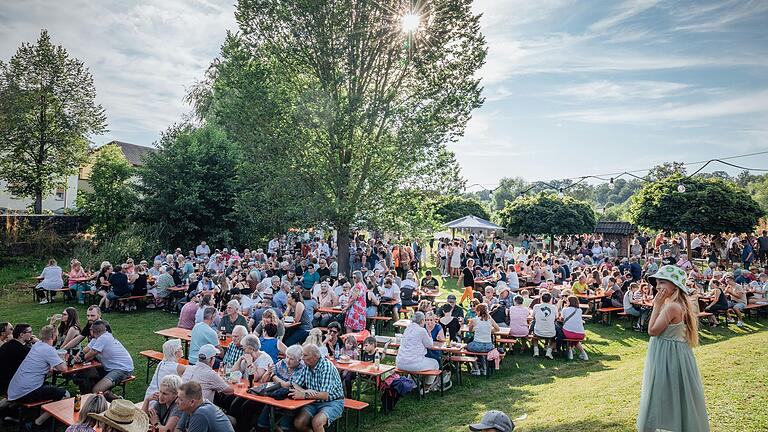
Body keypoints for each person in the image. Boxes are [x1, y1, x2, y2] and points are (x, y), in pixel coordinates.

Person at [637, 265, 709, 431]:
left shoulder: (671, 306)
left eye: (663, 282)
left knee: (662, 391)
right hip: (675, 352)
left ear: (675, 286)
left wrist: (656, 305)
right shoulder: (677, 304)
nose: (658, 286)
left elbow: (653, 331)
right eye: (657, 282)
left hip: (667, 354)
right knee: (676, 391)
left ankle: (665, 425)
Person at [8, 325, 68, 431]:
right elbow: (63, 368)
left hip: (15, 389)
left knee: (51, 389)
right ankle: (36, 424)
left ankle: (45, 418)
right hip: (25, 392)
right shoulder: (48, 350)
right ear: (54, 336)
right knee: (65, 395)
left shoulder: (38, 345)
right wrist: (63, 359)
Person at [290, 344, 345, 432]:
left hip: (332, 402)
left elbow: (325, 395)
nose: (302, 358)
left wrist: (304, 395)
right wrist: (305, 391)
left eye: (305, 355)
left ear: (315, 357)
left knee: (317, 422)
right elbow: (295, 384)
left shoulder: (326, 366)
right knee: (298, 423)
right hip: (313, 402)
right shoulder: (307, 366)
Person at [74, 320, 134, 396]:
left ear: (93, 331)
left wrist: (80, 359)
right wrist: (78, 356)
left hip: (122, 369)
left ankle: (112, 398)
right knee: (85, 373)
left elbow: (92, 352)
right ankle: (86, 394)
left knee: (96, 390)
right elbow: (85, 350)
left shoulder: (104, 338)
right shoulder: (96, 339)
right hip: (110, 368)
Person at [395, 312, 439, 393]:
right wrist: (429, 331)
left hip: (400, 362)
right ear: (422, 321)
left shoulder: (407, 328)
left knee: (415, 361)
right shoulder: (422, 330)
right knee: (435, 363)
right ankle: (426, 386)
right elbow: (429, 345)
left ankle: (413, 384)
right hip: (412, 363)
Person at [0, 323, 33, 396]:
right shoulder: (23, 350)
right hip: (10, 385)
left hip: (2, 383)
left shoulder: (6, 345)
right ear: (21, 335)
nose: (32, 334)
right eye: (30, 332)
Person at [467, 303, 499, 375]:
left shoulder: (474, 320)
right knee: (481, 351)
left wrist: (476, 329)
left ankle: (476, 368)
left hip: (477, 345)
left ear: (478, 311)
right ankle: (484, 368)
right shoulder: (490, 319)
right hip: (489, 346)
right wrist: (489, 330)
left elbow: (470, 330)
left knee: (466, 347)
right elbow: (497, 329)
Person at [559, 296, 588, 361]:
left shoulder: (565, 309)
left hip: (568, 333)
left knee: (565, 333)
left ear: (569, 302)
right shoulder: (579, 310)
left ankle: (570, 350)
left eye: (567, 301)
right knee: (575, 339)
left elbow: (561, 319)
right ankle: (583, 353)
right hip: (581, 334)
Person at [531, 292, 557, 359]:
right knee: (554, 338)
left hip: (538, 332)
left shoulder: (536, 306)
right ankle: (548, 352)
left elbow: (532, 316)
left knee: (534, 336)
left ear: (541, 299)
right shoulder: (554, 307)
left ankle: (536, 351)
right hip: (551, 333)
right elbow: (556, 317)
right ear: (550, 299)